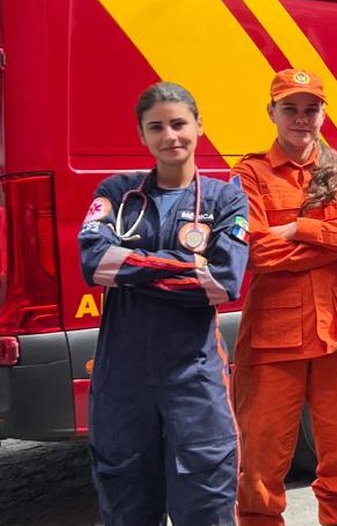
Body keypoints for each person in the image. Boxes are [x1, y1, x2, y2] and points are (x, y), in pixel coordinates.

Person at [78, 82, 249, 526]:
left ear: (199, 126)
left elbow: (222, 281)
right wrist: (186, 266)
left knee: (207, 509)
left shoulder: (225, 198)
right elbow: (94, 262)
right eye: (157, 127)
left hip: (193, 381)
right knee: (125, 508)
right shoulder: (117, 193)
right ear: (142, 135)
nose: (170, 136)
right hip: (122, 383)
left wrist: (131, 268)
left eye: (178, 124)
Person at [232, 69, 337, 526]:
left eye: (311, 109)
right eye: (291, 109)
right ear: (272, 113)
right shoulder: (251, 173)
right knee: (260, 471)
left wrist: (301, 228)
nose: (302, 119)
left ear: (323, 113)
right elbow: (258, 250)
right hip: (272, 340)